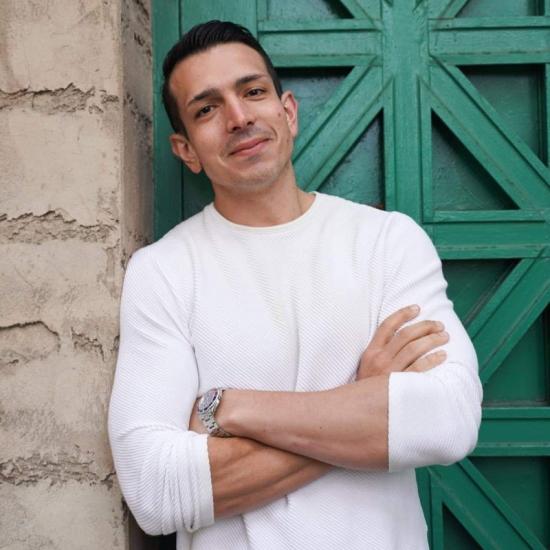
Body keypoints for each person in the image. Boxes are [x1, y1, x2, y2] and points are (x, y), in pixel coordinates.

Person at [108, 20, 482, 550]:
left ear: (287, 112)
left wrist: (228, 408)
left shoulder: (386, 242)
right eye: (207, 109)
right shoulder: (164, 271)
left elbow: (450, 419)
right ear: (186, 149)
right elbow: (155, 492)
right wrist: (363, 405)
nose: (238, 118)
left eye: (252, 92)